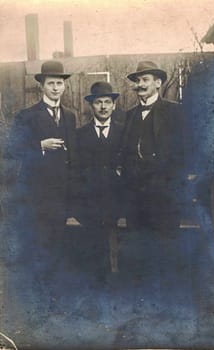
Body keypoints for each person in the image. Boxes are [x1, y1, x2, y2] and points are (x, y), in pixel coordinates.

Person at [5, 60, 78, 268]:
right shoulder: (26, 116)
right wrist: (40, 146)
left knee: (59, 249)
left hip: (62, 196)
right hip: (37, 196)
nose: (56, 88)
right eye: (51, 84)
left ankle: (54, 294)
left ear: (64, 86)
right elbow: (11, 150)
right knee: (39, 248)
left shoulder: (70, 116)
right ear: (42, 86)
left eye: (59, 83)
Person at [121, 61, 184, 235]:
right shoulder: (128, 115)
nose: (140, 84)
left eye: (145, 80)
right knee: (138, 248)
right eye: (138, 80)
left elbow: (184, 153)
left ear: (158, 83)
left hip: (164, 198)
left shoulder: (175, 112)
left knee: (163, 249)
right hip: (135, 200)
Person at [76, 81, 124, 279]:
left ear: (114, 105)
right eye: (98, 102)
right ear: (91, 106)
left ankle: (115, 281)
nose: (103, 106)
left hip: (117, 202)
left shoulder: (124, 132)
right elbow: (76, 170)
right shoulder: (80, 135)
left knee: (117, 247)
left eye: (107, 102)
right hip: (90, 203)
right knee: (92, 249)